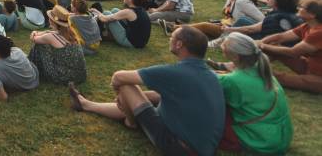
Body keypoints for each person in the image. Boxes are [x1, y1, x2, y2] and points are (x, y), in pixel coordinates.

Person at [68, 26, 225, 156]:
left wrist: (121, 97)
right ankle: (86, 104)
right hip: (202, 147)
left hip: (178, 147)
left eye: (172, 37)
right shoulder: (210, 74)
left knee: (127, 87)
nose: (170, 38)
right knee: (146, 96)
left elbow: (118, 77)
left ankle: (130, 122)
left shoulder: (175, 72)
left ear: (179, 44)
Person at [259, 0, 322, 97]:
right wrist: (260, 42)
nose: (298, 8)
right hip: (313, 69)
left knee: (280, 79)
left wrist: (262, 45)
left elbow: (293, 52)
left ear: (312, 15)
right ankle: (255, 65)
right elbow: (280, 37)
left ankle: (258, 72)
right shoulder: (308, 26)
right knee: (274, 48)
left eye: (302, 7)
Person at [214, 34, 293, 155]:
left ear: (235, 56)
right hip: (281, 138)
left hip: (260, 141)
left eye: (224, 50)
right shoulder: (262, 71)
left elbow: (209, 92)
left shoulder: (232, 80)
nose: (222, 51)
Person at [179, 0, 264, 39]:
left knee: (204, 25)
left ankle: (174, 28)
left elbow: (262, 19)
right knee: (204, 30)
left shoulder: (242, 2)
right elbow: (228, 17)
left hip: (237, 30)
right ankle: (181, 29)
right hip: (226, 26)